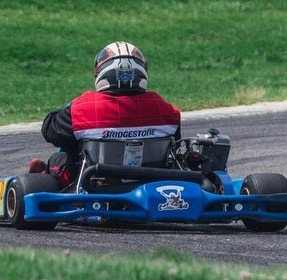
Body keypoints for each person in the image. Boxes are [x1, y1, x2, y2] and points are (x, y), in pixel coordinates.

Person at [31, 41, 181, 187]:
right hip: (151, 181)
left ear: (102, 72)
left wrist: (67, 108)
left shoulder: (82, 108)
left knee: (58, 159)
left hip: (94, 183)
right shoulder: (167, 110)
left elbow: (50, 133)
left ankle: (50, 181)